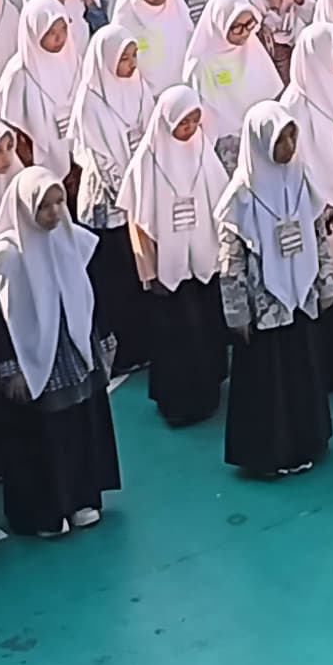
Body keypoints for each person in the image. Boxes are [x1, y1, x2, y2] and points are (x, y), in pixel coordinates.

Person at [0, 166, 119, 534]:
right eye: (45, 206)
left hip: (75, 350)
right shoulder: (6, 260)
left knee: (80, 425)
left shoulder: (72, 240)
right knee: (42, 435)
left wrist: (103, 339)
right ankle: (46, 509)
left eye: (59, 203)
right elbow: (2, 320)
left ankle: (82, 497)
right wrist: (11, 368)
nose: (55, 212)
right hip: (35, 360)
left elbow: (91, 295)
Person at [216, 103, 333, 479]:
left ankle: (307, 439)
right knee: (268, 380)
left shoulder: (301, 179)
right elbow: (231, 261)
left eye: (292, 138)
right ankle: (271, 452)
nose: (288, 146)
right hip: (263, 308)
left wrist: (325, 282)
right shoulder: (241, 195)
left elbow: (318, 234)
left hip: (300, 300)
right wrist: (237, 312)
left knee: (301, 369)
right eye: (280, 139)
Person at [123, 87, 235, 427]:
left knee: (205, 331)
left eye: (194, 122)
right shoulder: (147, 161)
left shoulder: (203, 151)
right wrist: (149, 272)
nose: (189, 129)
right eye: (183, 123)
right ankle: (177, 403)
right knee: (175, 338)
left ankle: (208, 394)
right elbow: (139, 223)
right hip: (167, 270)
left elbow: (221, 202)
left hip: (203, 263)